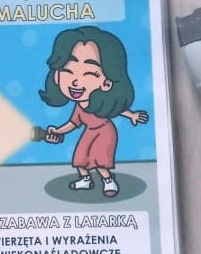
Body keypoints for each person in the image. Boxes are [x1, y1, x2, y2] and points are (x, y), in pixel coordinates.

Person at [39, 26, 148, 197]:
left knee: (100, 159)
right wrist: (57, 131)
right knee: (80, 158)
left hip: (105, 132)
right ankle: (85, 180)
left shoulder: (100, 103)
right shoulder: (79, 106)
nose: (75, 82)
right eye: (67, 71)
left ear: (107, 82)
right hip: (89, 132)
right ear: (57, 76)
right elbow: (72, 123)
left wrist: (132, 115)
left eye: (89, 73)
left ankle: (108, 180)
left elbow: (115, 111)